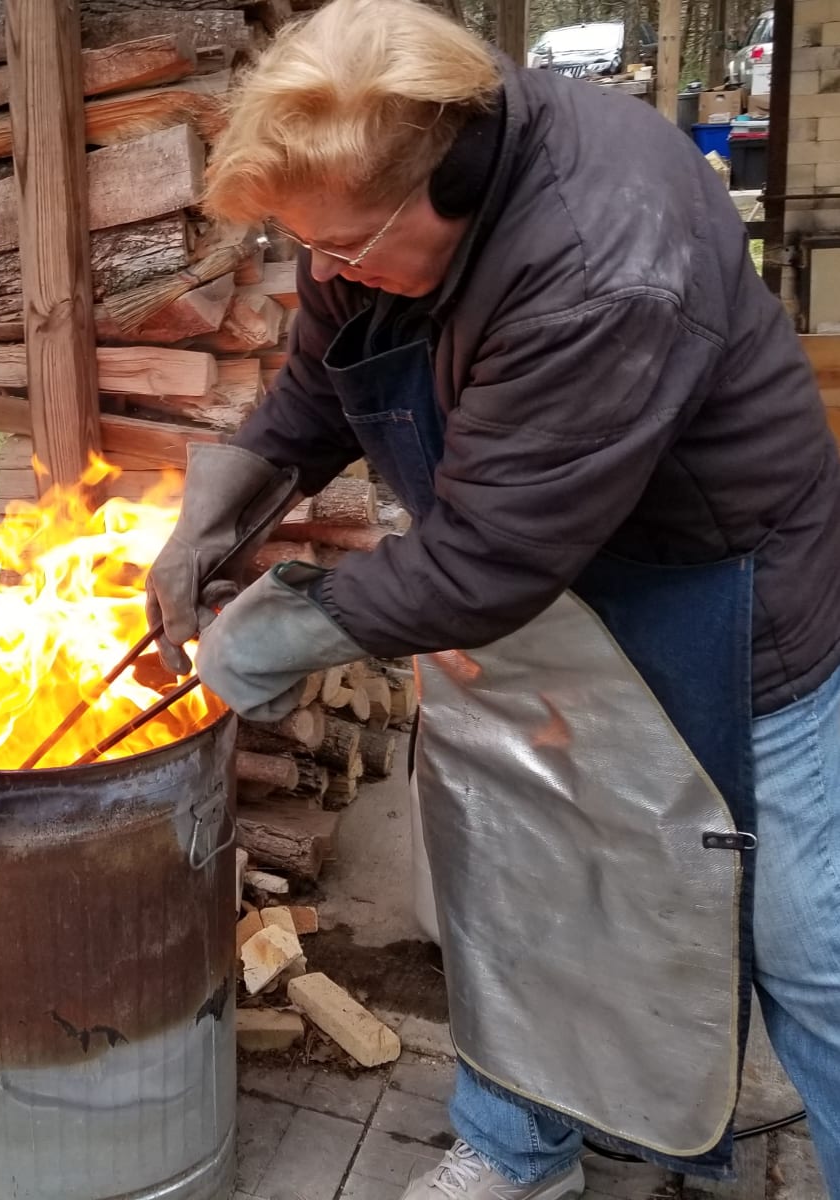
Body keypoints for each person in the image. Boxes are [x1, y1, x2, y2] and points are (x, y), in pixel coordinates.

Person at [145, 1, 840, 1196]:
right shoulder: (364, 209)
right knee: (522, 879)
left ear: (449, 185)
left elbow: (489, 557)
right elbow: (318, 390)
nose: (325, 272)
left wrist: (293, 627)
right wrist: (220, 509)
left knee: (809, 949)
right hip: (530, 598)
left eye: (347, 250)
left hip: (722, 612)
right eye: (311, 250)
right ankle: (522, 1154)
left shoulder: (603, 258)